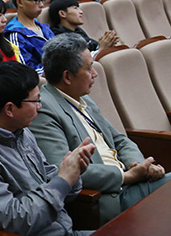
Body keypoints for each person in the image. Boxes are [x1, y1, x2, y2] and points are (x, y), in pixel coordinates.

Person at [30, 33, 171, 224]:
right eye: (89, 68)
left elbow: (119, 140)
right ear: (67, 76)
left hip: (133, 181)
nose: (95, 74)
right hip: (112, 197)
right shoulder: (44, 110)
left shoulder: (82, 98)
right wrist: (126, 177)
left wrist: (138, 166)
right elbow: (63, 170)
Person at [0, 61, 95, 236]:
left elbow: (50, 180)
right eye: (36, 101)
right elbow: (15, 220)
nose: (40, 107)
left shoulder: (18, 129)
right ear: (10, 109)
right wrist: (63, 180)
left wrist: (73, 171)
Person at [4, 0, 55, 76]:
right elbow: (25, 70)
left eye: (42, 0)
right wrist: (56, 68)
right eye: (36, 0)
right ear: (20, 2)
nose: (41, 5)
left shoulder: (43, 27)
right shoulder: (15, 34)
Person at [48, 0, 119, 53]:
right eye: (75, 8)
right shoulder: (59, 37)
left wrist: (107, 45)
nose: (81, 12)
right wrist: (101, 49)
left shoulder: (78, 31)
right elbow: (77, 60)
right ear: (62, 14)